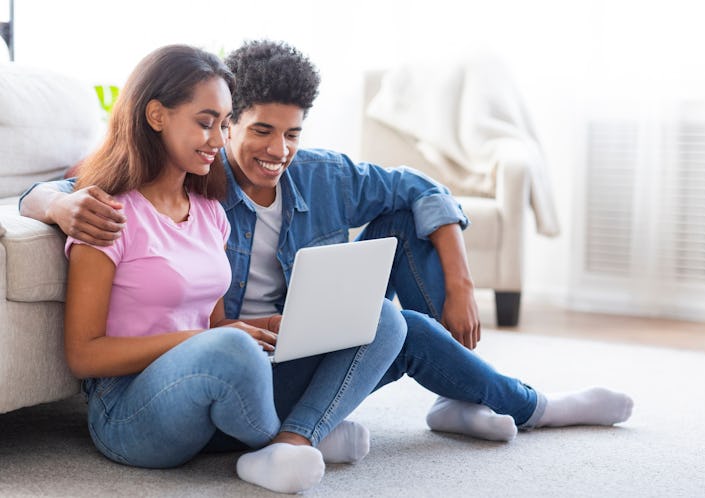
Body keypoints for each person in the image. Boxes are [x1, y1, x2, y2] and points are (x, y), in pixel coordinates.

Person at [21, 40, 633, 448]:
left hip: (269, 339)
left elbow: (423, 189)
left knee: (396, 315)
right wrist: (59, 204)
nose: (277, 151)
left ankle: (516, 403)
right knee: (291, 345)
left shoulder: (301, 178)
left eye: (291, 134)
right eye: (258, 130)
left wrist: (462, 289)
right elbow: (61, 187)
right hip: (198, 365)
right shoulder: (164, 192)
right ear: (229, 122)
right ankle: (313, 430)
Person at [58, 44, 406, 495]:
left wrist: (285, 326)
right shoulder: (106, 215)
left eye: (223, 124)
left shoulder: (209, 211)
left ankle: (295, 439)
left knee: (380, 317)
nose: (219, 140)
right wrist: (209, 340)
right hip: (129, 410)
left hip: (211, 393)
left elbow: (218, 324)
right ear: (156, 115)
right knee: (230, 350)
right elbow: (83, 356)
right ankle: (297, 434)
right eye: (205, 123)